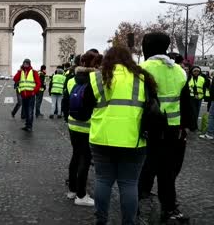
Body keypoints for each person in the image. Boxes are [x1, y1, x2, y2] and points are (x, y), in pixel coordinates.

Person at [84, 46, 157, 225]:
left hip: (102, 138)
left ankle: (101, 221)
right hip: (133, 139)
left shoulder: (97, 77)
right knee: (129, 184)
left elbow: (85, 108)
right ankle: (128, 222)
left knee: (103, 181)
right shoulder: (143, 79)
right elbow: (153, 107)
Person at [138, 32, 193, 223]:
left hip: (150, 128)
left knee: (145, 165)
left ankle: (136, 200)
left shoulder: (142, 69)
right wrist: (187, 127)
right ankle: (169, 208)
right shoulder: (179, 70)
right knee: (168, 171)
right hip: (174, 129)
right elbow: (186, 101)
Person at [64, 51, 102, 207]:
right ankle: (81, 195)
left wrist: (67, 119)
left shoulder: (71, 80)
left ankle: (72, 190)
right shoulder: (97, 81)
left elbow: (66, 102)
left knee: (75, 156)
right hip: (89, 125)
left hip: (73, 124)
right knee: (85, 159)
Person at [13, 59, 41, 132]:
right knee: (26, 111)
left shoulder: (34, 72)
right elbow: (15, 79)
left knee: (30, 111)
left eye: (26, 64)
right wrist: (19, 70)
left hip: (31, 95)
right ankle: (27, 125)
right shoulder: (21, 72)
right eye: (24, 63)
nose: (25, 65)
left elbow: (38, 83)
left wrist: (34, 92)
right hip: (23, 95)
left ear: (29, 64)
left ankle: (29, 126)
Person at [187, 66, 207, 131]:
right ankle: (193, 126)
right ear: (192, 72)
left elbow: (204, 88)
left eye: (198, 71)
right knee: (193, 112)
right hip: (191, 97)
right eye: (195, 71)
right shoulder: (189, 78)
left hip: (199, 98)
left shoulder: (202, 78)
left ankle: (194, 126)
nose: (196, 72)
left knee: (197, 112)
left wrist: (204, 96)